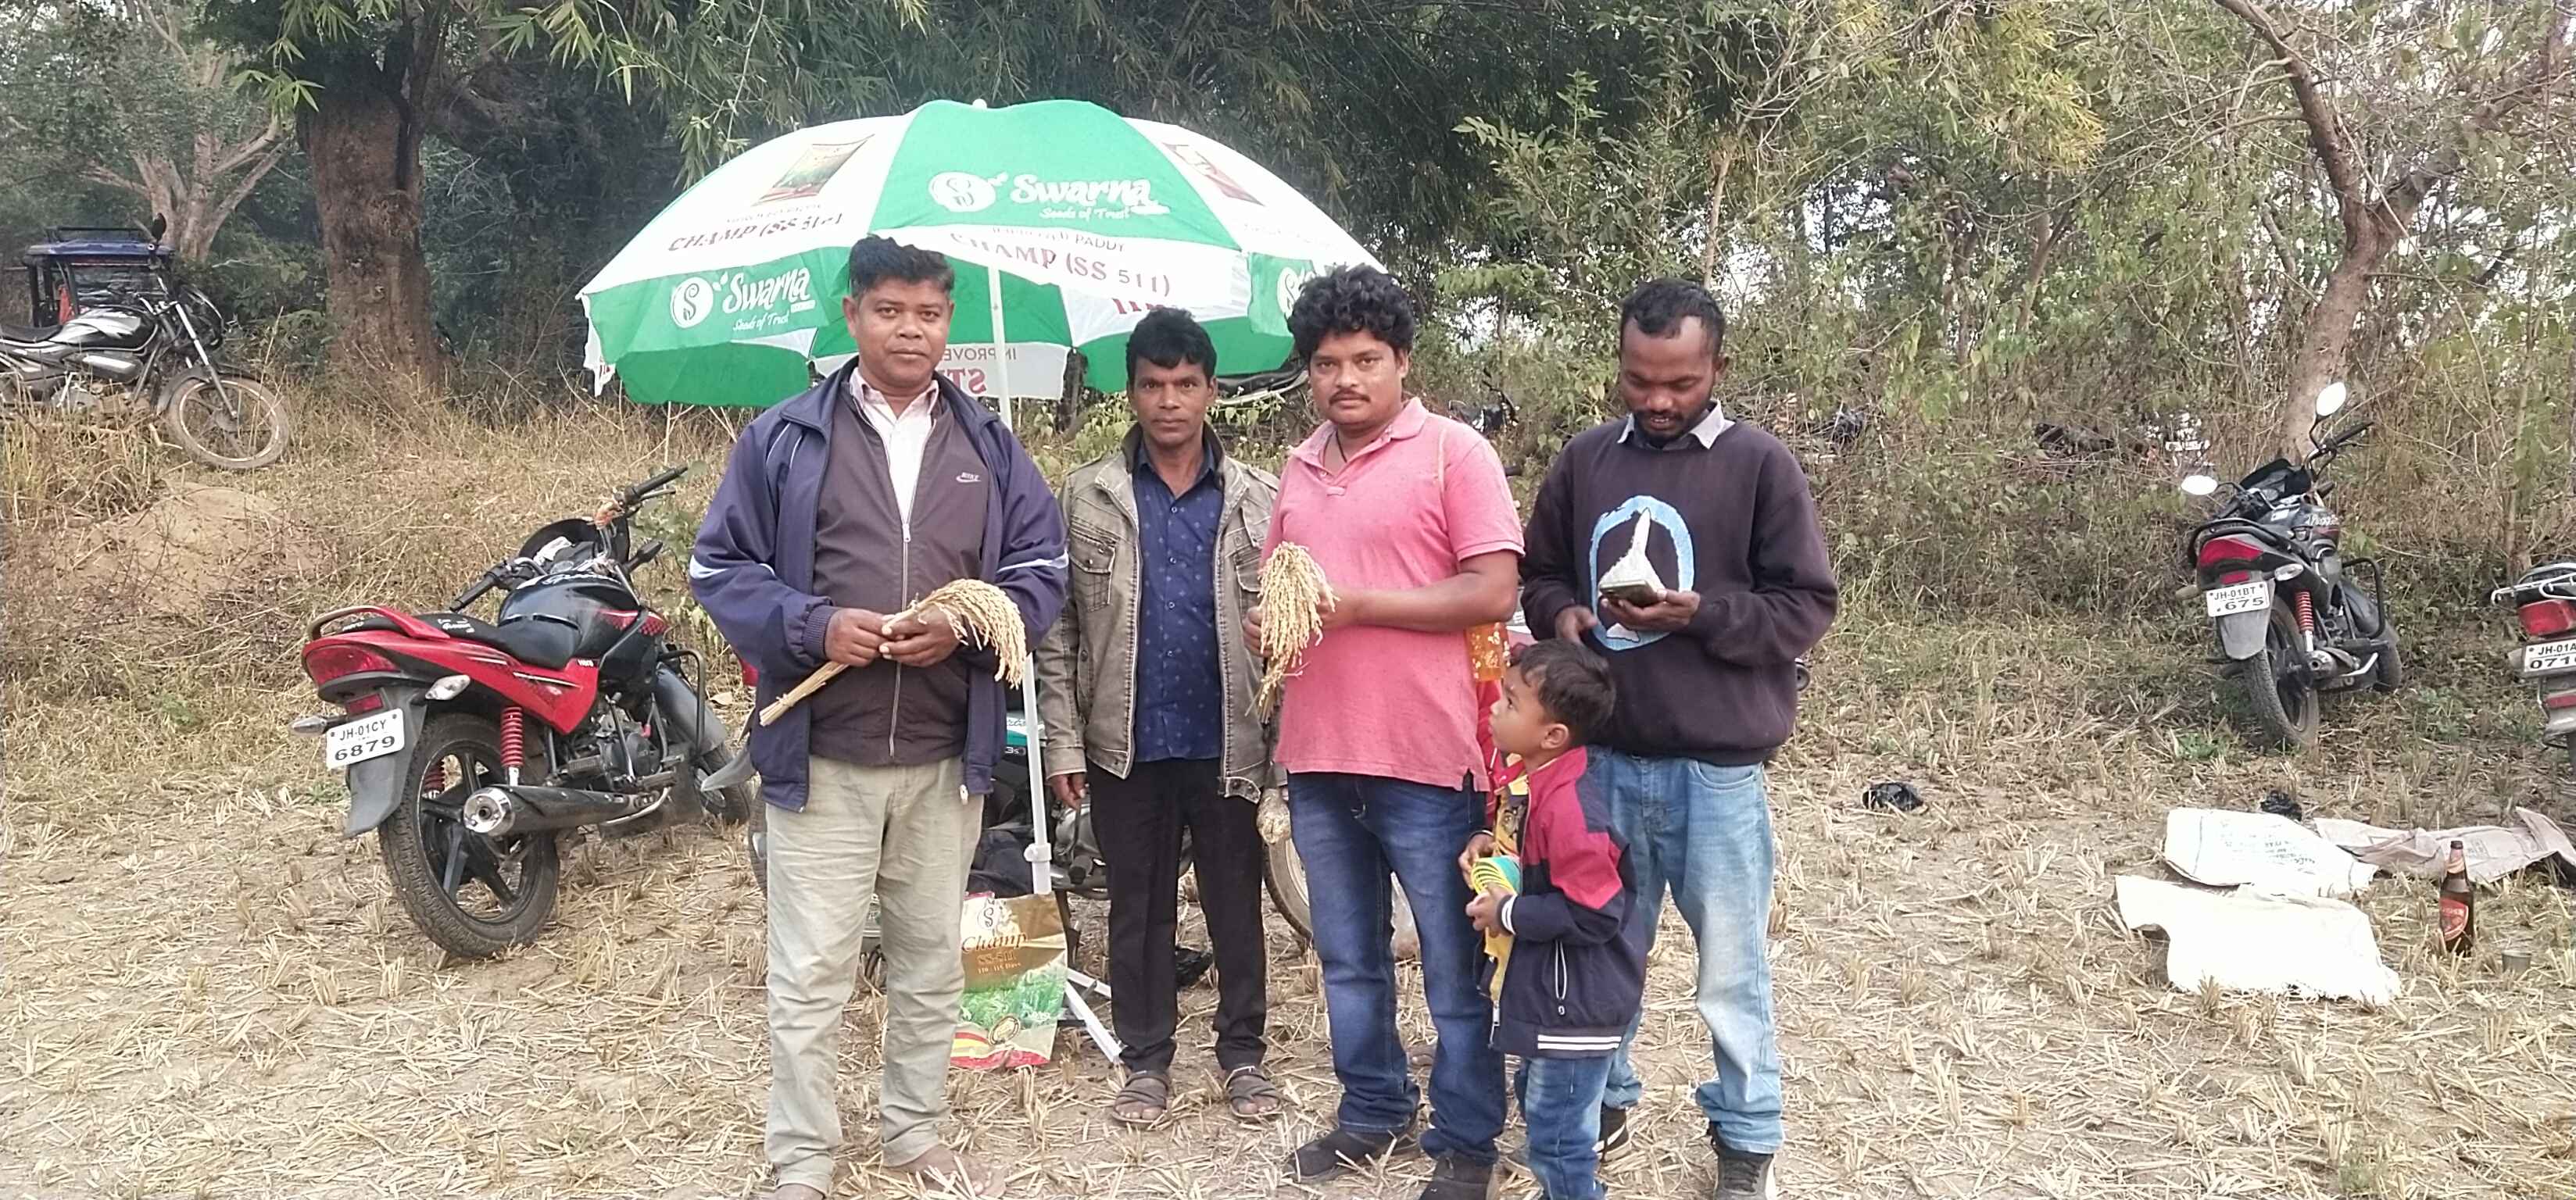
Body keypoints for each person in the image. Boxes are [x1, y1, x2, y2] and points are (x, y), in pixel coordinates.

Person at [691, 235, 1069, 1200]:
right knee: (811, 970)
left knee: (930, 960)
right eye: (890, 311)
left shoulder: (989, 446)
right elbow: (719, 568)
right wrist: (813, 626)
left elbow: (1041, 571)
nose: (911, 330)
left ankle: (913, 1133)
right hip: (823, 757)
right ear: (852, 315)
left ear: (948, 324)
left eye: (929, 314)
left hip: (946, 757)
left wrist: (965, 626)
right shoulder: (783, 439)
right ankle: (802, 1159)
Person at [1519, 278, 1837, 1199]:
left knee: (1730, 974)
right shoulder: (1585, 461)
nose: (1657, 400)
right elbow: (1539, 574)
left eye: (1680, 383)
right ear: (1619, 367)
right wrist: (1565, 616)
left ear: (1716, 369)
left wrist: (1698, 615)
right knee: (1595, 951)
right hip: (1601, 765)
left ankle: (1745, 1140)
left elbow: (1804, 606)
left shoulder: (1759, 466)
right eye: (1638, 380)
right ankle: (1600, 1103)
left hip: (1715, 774)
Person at [1254, 266, 1523, 1200]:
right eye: (1327, 364)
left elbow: (1492, 590)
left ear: (1402, 361)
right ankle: (1371, 1109)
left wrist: (1360, 606)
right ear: (1308, 371)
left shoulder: (1454, 454)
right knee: (1348, 959)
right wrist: (1271, 625)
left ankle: (1466, 1138)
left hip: (1428, 756)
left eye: (1366, 360)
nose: (1346, 380)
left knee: (1454, 966)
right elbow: (1284, 589)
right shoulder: (1296, 468)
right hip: (1319, 752)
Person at [1031, 307, 1285, 1126]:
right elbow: (1058, 631)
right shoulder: (1089, 494)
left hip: (1228, 738)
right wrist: (1063, 743)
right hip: (1125, 739)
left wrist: (1282, 747)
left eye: (1185, 384)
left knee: (1234, 900)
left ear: (1212, 390)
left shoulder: (1259, 498)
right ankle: (1146, 1061)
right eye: (1152, 385)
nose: (1169, 401)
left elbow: (1289, 630)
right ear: (1130, 392)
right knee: (1135, 905)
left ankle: (1242, 1056)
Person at [1458, 639, 1637, 1200]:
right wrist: (1495, 857)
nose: (1494, 708)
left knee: (1558, 1140)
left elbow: (1594, 912)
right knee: (1542, 1109)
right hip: (1552, 998)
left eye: (1510, 702)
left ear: (1552, 735)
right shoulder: (1534, 784)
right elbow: (1539, 867)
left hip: (1575, 1006)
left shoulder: (1571, 810)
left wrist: (1506, 911)